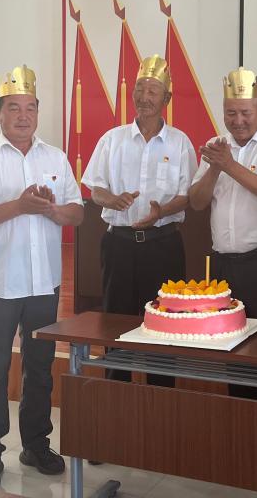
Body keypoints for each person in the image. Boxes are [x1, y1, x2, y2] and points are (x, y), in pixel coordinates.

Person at [0, 66, 84, 489]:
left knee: (41, 368)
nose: (23, 116)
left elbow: (77, 213)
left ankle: (35, 445)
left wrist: (51, 210)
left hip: (43, 282)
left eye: (30, 107)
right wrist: (19, 205)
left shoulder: (55, 158)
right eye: (14, 108)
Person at [82, 54, 196, 386]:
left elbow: (188, 195)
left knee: (164, 327)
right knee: (116, 327)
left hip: (163, 245)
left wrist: (163, 211)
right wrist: (111, 199)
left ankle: (160, 397)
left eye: (152, 91)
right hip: (118, 245)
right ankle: (117, 395)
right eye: (139, 89)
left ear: (166, 99)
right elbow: (95, 189)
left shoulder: (180, 143)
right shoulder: (112, 140)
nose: (144, 97)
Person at [188, 67, 257, 403]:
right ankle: (242, 425)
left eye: (245, 113)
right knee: (233, 353)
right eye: (231, 113)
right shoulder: (215, 147)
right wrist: (215, 168)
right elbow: (197, 201)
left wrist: (230, 166)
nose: (238, 121)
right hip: (224, 266)